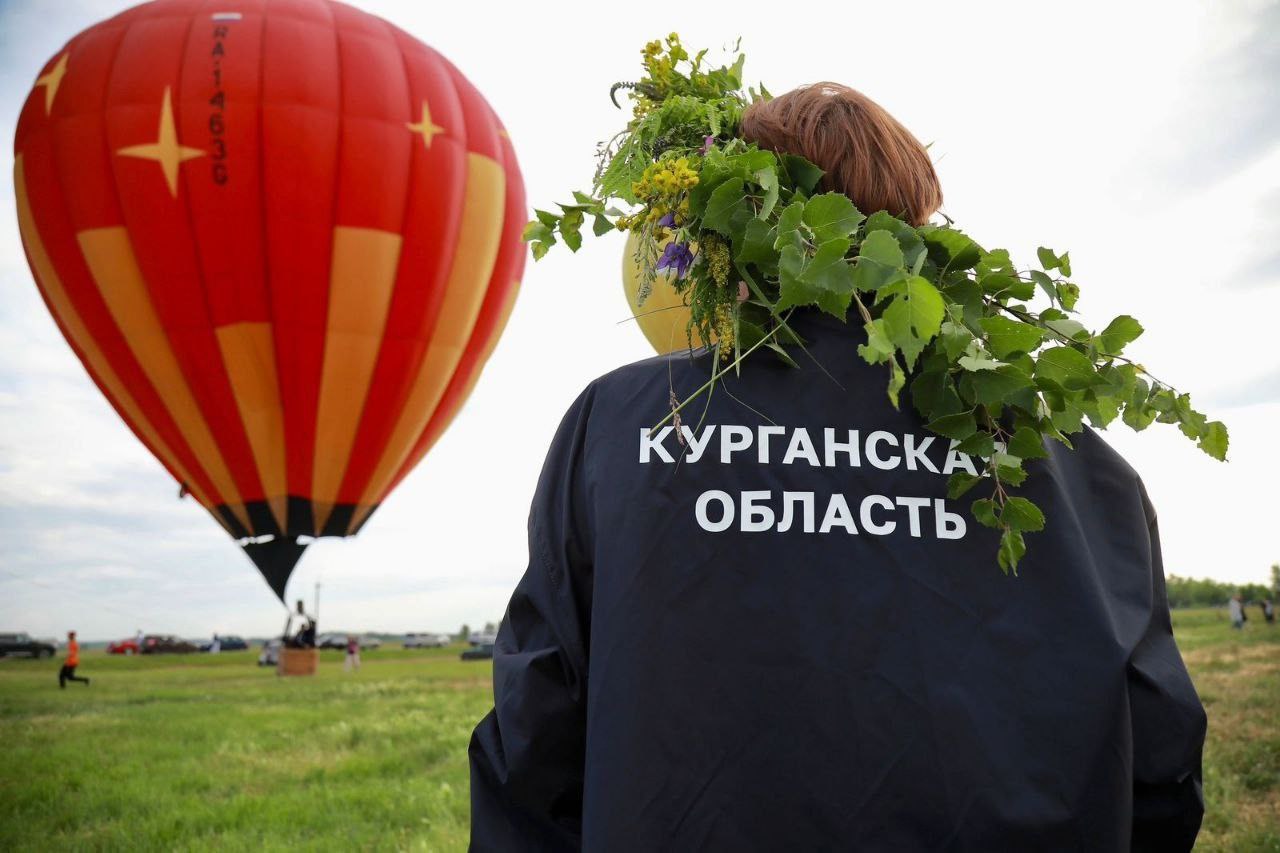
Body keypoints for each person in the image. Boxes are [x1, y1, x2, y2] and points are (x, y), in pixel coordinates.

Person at [468, 82, 1207, 851]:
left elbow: (534, 736)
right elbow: (1160, 753)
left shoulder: (621, 425)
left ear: (743, 221)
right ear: (917, 221)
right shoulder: (1076, 463)